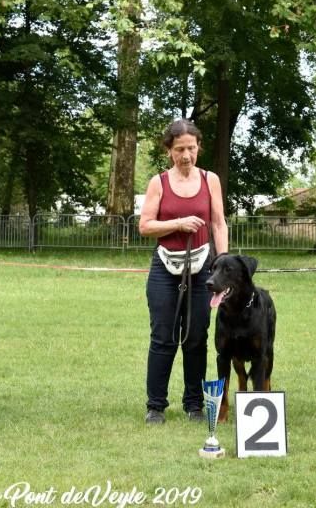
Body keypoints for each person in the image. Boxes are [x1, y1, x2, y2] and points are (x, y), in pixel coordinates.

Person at [138, 119, 229, 424]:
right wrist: (178, 223)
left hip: (203, 267)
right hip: (165, 267)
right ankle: (156, 406)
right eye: (180, 149)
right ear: (169, 151)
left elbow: (218, 223)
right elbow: (145, 226)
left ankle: (194, 405)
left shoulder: (210, 180)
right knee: (163, 337)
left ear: (198, 147)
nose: (186, 155)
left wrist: (223, 263)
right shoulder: (158, 183)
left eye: (191, 148)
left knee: (195, 337)